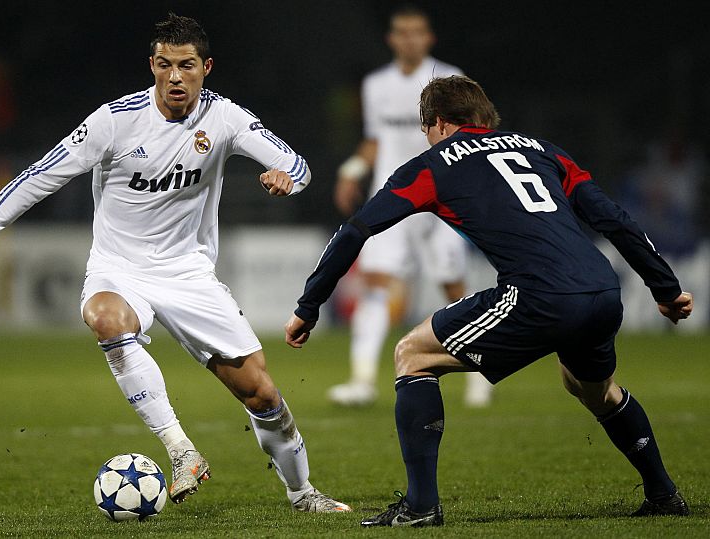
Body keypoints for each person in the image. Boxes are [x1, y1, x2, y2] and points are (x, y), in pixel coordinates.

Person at [0, 13, 349, 514]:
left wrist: (285, 177)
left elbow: (297, 165)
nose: (175, 76)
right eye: (164, 65)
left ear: (206, 67)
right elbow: (39, 175)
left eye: (186, 65)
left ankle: (302, 493)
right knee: (107, 319)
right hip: (119, 268)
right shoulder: (114, 120)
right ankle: (182, 451)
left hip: (189, 273)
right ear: (152, 66)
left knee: (261, 394)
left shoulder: (223, 118)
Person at [285, 75, 693, 526]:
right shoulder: (545, 151)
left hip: (538, 294)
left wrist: (309, 305)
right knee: (591, 389)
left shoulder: (433, 164)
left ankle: (421, 506)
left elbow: (356, 230)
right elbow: (613, 219)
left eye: (427, 129)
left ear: (437, 122)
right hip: (600, 289)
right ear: (483, 118)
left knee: (413, 354)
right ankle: (662, 493)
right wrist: (667, 290)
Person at [330, 5, 492, 407]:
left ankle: (482, 370)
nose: (409, 39)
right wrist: (351, 171)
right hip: (396, 196)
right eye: (402, 33)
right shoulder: (376, 84)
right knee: (377, 284)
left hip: (441, 198)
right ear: (392, 39)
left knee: (452, 286)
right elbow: (374, 141)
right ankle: (363, 379)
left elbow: (471, 135)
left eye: (416, 32)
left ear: (428, 38)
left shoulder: (450, 79)